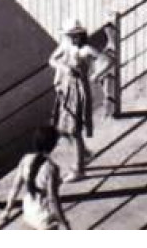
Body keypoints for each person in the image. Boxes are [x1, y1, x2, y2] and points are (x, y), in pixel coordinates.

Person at [49, 20, 104, 177]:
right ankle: (84, 153)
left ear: (80, 35)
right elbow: (52, 60)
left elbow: (107, 61)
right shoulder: (66, 46)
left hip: (78, 91)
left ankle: (79, 169)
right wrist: (64, 68)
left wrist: (95, 76)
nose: (72, 39)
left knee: (74, 129)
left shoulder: (86, 50)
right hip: (65, 88)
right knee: (62, 127)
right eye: (70, 36)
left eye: (75, 36)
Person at [0, 125, 69, 230]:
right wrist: (64, 223)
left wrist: (7, 210)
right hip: (44, 217)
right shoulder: (52, 168)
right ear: (53, 145)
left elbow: (15, 187)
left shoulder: (25, 159)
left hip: (28, 212)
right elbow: (53, 199)